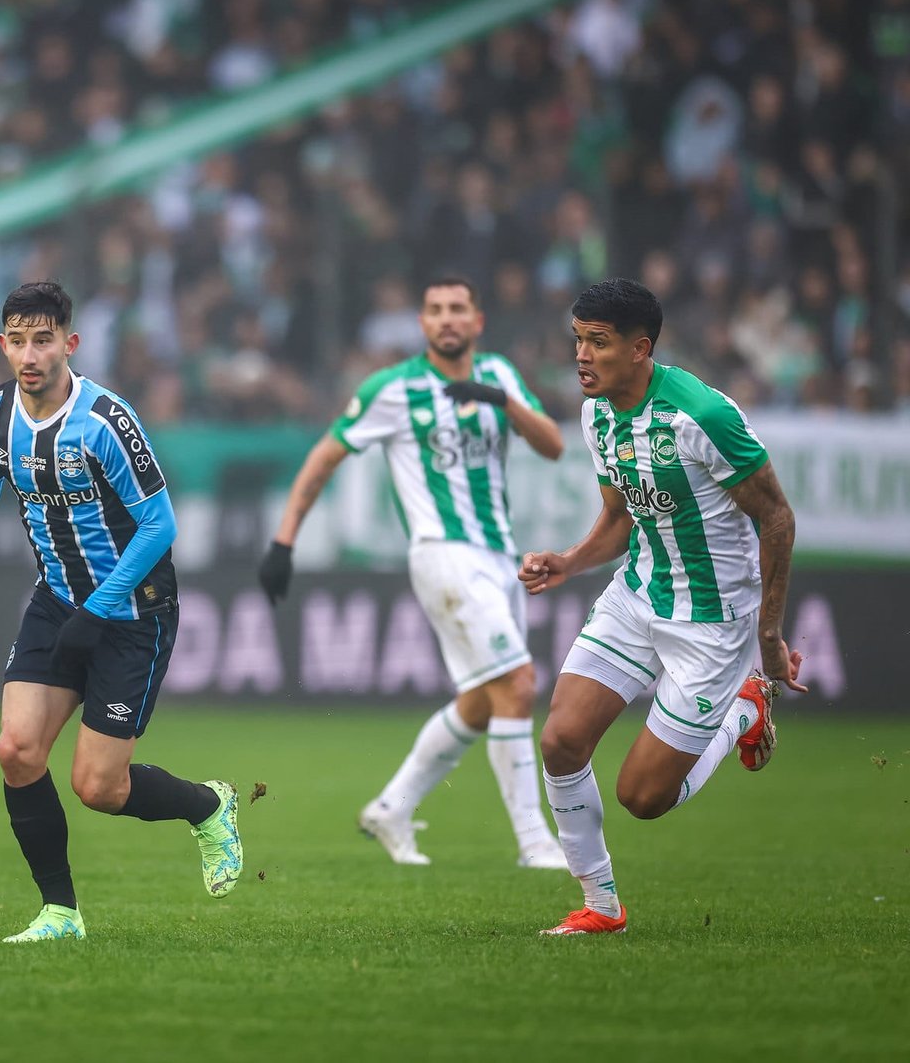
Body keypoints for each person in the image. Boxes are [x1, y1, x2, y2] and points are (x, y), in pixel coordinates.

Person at [0, 281, 242, 943]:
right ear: (3, 344)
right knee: (16, 750)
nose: (30, 353)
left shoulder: (105, 421)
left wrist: (99, 609)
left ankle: (209, 805)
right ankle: (60, 913)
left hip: (132, 612)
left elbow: (159, 524)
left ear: (69, 343)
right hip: (57, 603)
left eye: (44, 339)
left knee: (99, 786)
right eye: (18, 340)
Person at [520, 277, 805, 936]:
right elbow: (621, 516)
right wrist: (569, 559)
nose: (582, 356)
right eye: (578, 340)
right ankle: (601, 905)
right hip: (638, 593)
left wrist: (768, 633)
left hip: (711, 620)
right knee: (560, 740)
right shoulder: (598, 413)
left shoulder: (701, 415)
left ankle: (745, 707)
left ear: (641, 347)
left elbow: (777, 517)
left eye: (599, 342)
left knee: (642, 797)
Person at [258, 276, 567, 869]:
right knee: (520, 683)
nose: (446, 319)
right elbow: (327, 455)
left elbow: (553, 444)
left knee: (482, 701)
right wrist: (284, 540)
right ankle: (534, 841)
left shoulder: (500, 376)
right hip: (442, 552)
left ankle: (391, 808)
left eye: (457, 309)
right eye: (434, 310)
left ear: (477, 321)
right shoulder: (393, 389)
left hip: (500, 554)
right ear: (422, 324)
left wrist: (503, 402)